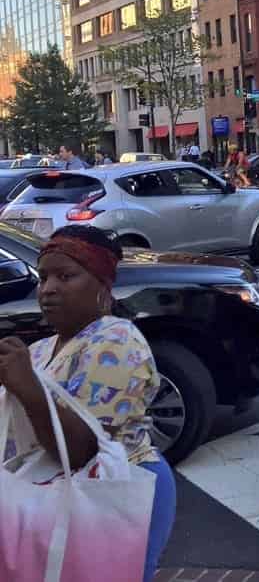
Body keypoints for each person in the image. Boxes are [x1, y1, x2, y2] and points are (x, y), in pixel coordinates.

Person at [0, 226, 175, 582]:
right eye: (44, 276)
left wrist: (28, 387)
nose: (48, 288)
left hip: (108, 492)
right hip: (52, 494)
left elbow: (83, 451)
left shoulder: (117, 340)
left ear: (102, 284)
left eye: (66, 276)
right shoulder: (43, 349)